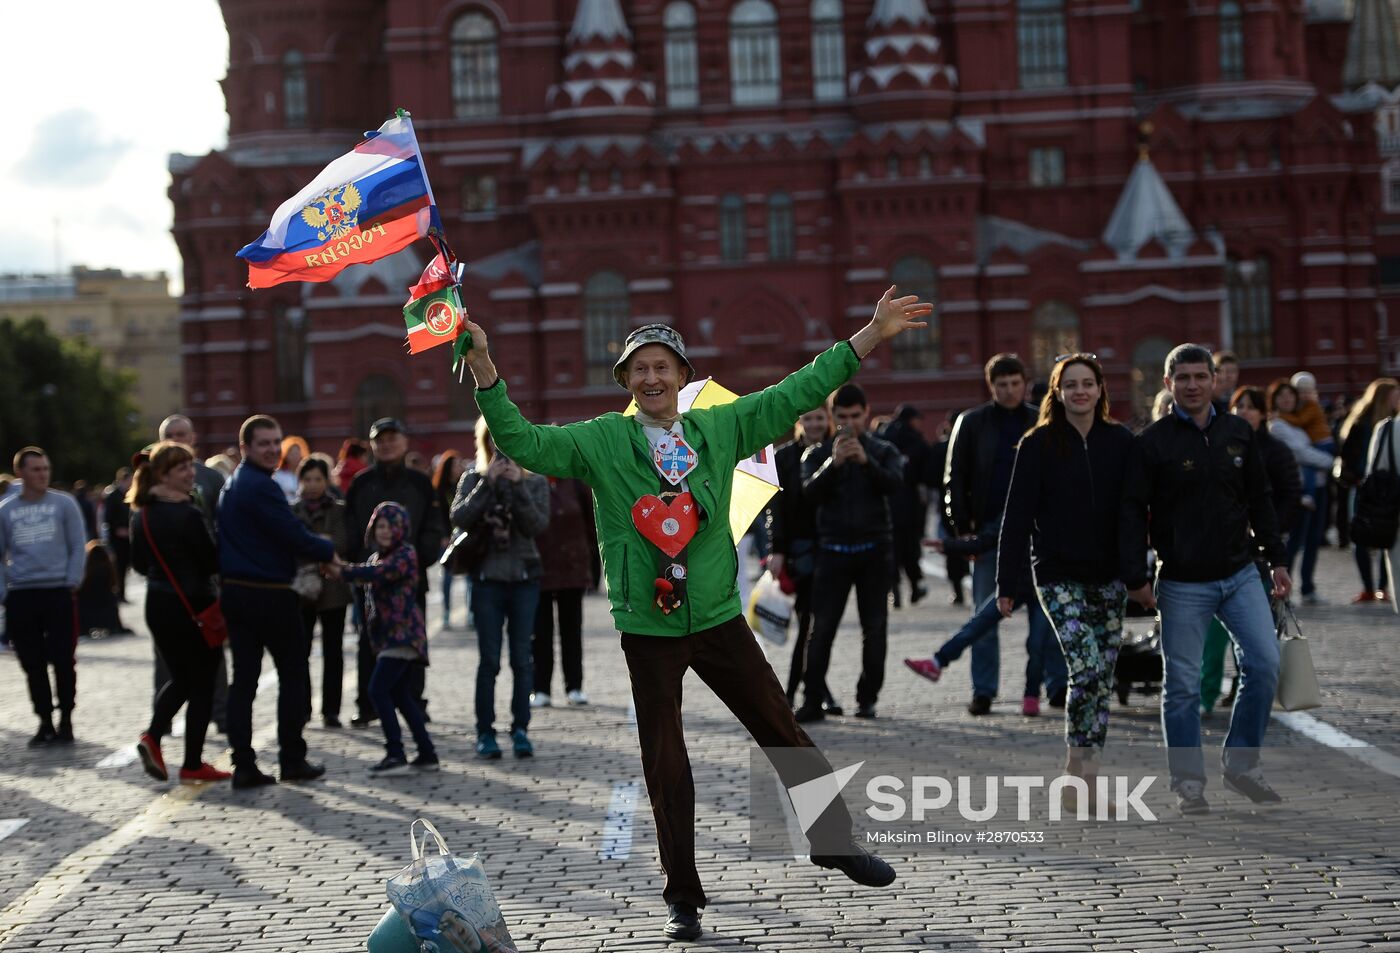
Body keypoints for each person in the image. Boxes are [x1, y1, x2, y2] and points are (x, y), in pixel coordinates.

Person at [457, 288, 927, 941]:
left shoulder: (721, 426)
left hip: (715, 616)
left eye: (663, 366)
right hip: (648, 627)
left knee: (781, 725)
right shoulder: (602, 440)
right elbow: (523, 441)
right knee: (666, 762)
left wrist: (871, 334)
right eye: (639, 369)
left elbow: (796, 391)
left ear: (682, 376)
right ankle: (683, 895)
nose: (652, 378)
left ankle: (834, 839)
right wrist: (484, 368)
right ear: (626, 380)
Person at [1120, 344, 1291, 816]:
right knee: (1182, 687)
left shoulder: (1239, 431)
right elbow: (1132, 512)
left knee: (1264, 665)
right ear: (1168, 383)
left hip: (1240, 575)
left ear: (1216, 380)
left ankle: (1241, 766)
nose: (1193, 384)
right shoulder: (1151, 443)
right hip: (1182, 582)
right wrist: (1136, 576)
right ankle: (1188, 783)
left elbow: (1260, 499)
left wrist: (1276, 558)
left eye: (1201, 376)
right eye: (1183, 377)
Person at [992, 355, 1134, 798]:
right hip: (1056, 576)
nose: (1080, 392)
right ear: (1057, 392)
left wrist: (1138, 573)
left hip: (1109, 578)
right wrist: (1006, 584)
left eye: (1087, 383)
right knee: (1086, 666)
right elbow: (1016, 518)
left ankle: (1086, 778)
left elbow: (1133, 514)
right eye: (1070, 385)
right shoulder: (1037, 445)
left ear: (1099, 390)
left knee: (1100, 676)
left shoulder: (1121, 442)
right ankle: (1076, 764)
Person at [218, 415, 338, 789]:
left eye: (275, 442)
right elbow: (291, 533)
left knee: (245, 681)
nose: (272, 449)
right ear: (245, 448)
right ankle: (291, 758)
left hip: (238, 592)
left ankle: (244, 762)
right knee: (293, 676)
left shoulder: (235, 483)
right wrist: (327, 548)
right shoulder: (260, 486)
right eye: (263, 443)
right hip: (268, 594)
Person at [943, 353, 1053, 715]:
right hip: (990, 534)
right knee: (985, 615)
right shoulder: (971, 422)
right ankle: (984, 690)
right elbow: (954, 478)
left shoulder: (1042, 418)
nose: (1008, 390)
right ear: (991, 386)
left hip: (1039, 534)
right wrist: (964, 532)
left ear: (1026, 383)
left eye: (1014, 383)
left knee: (1048, 616)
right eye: (1001, 384)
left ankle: (1056, 686)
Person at [793, 383, 906, 722]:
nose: (849, 423)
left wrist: (866, 462)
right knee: (822, 628)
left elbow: (895, 484)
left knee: (875, 628)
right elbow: (808, 493)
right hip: (833, 551)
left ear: (865, 413)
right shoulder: (816, 454)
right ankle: (812, 699)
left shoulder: (883, 449)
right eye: (842, 416)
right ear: (833, 416)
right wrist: (834, 463)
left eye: (855, 416)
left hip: (875, 551)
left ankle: (867, 698)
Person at [128, 441, 230, 784]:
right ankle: (189, 761)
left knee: (182, 678)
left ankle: (155, 738)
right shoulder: (188, 513)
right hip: (194, 604)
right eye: (182, 468)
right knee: (202, 682)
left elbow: (139, 564)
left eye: (190, 466)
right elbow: (211, 561)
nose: (191, 473)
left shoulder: (141, 512)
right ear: (163, 475)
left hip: (158, 605)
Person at [1199, 386, 1303, 716]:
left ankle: (1252, 690)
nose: (1245, 411)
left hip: (1262, 551)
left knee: (1257, 631)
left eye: (1251, 406)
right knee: (1214, 633)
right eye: (1238, 406)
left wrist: (1269, 535)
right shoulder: (1221, 444)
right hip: (1228, 550)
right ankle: (1209, 692)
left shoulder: (1277, 451)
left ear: (1263, 412)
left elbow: (1286, 495)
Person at [451, 418, 550, 758]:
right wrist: (486, 486)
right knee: (489, 661)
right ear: (484, 445)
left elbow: (538, 524)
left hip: (524, 579)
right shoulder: (473, 478)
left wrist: (517, 486)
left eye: (506, 442)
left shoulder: (534, 482)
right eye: (493, 443)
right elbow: (459, 518)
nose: (501, 451)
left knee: (522, 659)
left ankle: (520, 729)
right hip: (486, 581)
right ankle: (485, 732)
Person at [345, 418, 445, 728]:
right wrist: (364, 564)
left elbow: (435, 527)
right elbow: (350, 530)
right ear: (372, 444)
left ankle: (415, 701)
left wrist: (415, 560)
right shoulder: (361, 483)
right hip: (369, 582)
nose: (387, 444)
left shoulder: (419, 483)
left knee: (412, 644)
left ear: (404, 442)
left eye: (393, 438)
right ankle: (368, 703)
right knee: (368, 642)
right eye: (380, 439)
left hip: (410, 581)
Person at [336, 501, 437, 775]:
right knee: (401, 695)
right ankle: (427, 752)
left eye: (390, 526)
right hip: (388, 638)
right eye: (380, 525)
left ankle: (396, 752)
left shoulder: (406, 554)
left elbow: (379, 574)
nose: (384, 531)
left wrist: (342, 570)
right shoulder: (374, 557)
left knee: (377, 690)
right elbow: (369, 572)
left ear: (402, 528)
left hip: (403, 636)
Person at [0, 447, 87, 745]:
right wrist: (4, 591)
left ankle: (66, 719)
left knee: (63, 659)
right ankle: (44, 720)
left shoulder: (64, 504)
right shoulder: (6, 510)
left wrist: (72, 580)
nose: (42, 474)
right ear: (21, 473)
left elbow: (78, 545)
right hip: (21, 595)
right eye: (35, 469)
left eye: (45, 469)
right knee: (32, 662)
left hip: (58, 592)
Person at [155, 414, 229, 732]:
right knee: (166, 655)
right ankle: (164, 716)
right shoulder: (148, 479)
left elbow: (223, 525)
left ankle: (221, 712)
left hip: (207, 581)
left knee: (214, 647)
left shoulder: (211, 479)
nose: (176, 439)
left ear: (194, 438)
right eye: (169, 434)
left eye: (181, 433)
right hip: (168, 584)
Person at [766, 406, 835, 706]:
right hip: (800, 552)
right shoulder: (784, 457)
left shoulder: (837, 450)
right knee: (809, 624)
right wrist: (777, 550)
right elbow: (776, 510)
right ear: (799, 423)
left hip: (833, 548)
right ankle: (795, 693)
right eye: (809, 418)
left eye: (820, 418)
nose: (815, 424)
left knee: (819, 626)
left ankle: (811, 689)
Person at [292, 456, 353, 728]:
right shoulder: (292, 510)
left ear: (326, 480)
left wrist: (312, 543)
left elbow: (343, 541)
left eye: (318, 479)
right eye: (307, 479)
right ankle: (302, 707)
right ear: (300, 481)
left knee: (333, 651)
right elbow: (291, 544)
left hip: (333, 588)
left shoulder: (339, 509)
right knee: (299, 651)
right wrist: (322, 543)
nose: (313, 485)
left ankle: (331, 710)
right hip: (302, 589)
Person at [531, 471, 597, 707]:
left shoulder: (576, 482)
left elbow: (592, 523)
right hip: (538, 567)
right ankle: (540, 688)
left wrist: (590, 560)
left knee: (571, 630)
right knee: (540, 633)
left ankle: (575, 686)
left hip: (572, 566)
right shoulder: (531, 481)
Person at [1268, 379, 1335, 605]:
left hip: (1316, 486)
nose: (1287, 400)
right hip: (1297, 490)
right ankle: (1284, 589)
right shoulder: (1277, 425)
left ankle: (1308, 587)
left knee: (1314, 539)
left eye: (1290, 396)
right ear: (1274, 400)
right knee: (1295, 541)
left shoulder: (1299, 422)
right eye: (1282, 396)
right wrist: (1328, 461)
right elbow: (1299, 453)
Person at [1338, 378, 1400, 603]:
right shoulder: (1363, 424)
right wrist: (1358, 477)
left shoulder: (1390, 424)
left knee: (1388, 535)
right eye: (1395, 395)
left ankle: (1383, 586)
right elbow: (1347, 454)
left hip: (1384, 488)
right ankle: (1368, 586)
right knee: (1363, 535)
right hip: (1368, 487)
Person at [878, 403, 931, 608]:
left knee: (891, 549)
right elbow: (927, 464)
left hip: (886, 500)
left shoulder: (882, 437)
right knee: (909, 548)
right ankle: (915, 585)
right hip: (909, 500)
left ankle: (894, 589)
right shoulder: (915, 439)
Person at [925, 414, 968, 605]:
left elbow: (929, 476)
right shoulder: (974, 443)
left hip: (947, 505)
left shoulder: (940, 447)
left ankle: (958, 590)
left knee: (953, 547)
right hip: (974, 503)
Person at [431, 450, 467, 629]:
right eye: (455, 465)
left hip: (463, 536)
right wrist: (443, 535)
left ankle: (471, 613)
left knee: (468, 576)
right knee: (447, 577)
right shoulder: (438, 489)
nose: (458, 468)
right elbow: (438, 515)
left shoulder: (464, 485)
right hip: (447, 538)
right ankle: (446, 612)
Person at [75, 541, 123, 636]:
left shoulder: (83, 573)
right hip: (106, 613)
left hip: (86, 615)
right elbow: (114, 586)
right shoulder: (108, 571)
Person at [102, 468, 133, 602]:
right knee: (117, 567)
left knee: (125, 566)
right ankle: (117, 592)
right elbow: (108, 517)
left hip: (127, 537)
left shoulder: (128, 495)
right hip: (116, 538)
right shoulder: (112, 495)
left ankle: (122, 593)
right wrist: (117, 530)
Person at [273, 436, 308, 504]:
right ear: (285, 455)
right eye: (292, 454)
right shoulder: (278, 475)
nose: (295, 456)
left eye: (297, 453)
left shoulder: (306, 474)